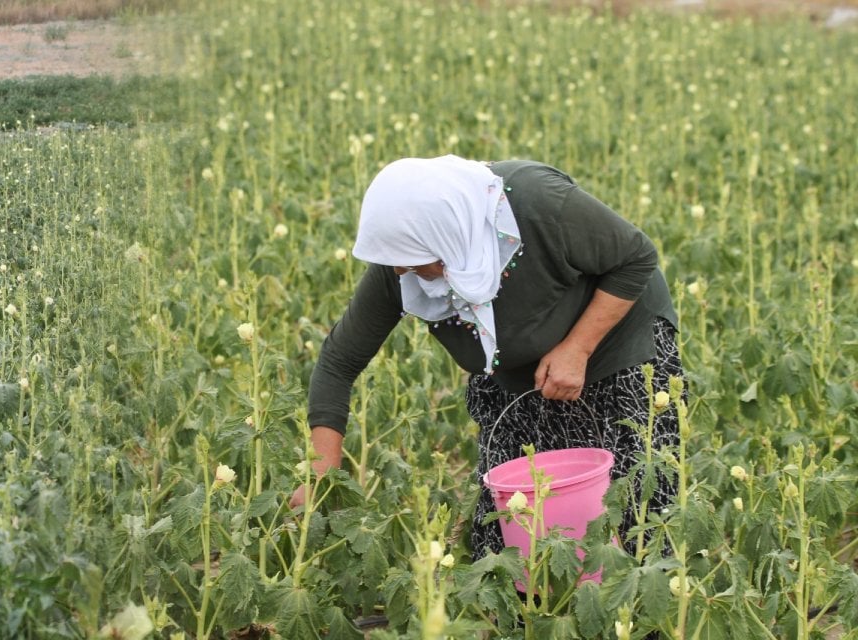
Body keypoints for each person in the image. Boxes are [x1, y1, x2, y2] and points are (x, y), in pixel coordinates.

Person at [291, 154, 683, 559]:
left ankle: (638, 617)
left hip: (618, 344)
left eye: (410, 262)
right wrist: (322, 471)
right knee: (512, 535)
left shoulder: (536, 202)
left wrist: (578, 348)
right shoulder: (404, 262)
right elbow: (339, 361)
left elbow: (635, 257)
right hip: (513, 374)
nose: (399, 273)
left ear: (443, 238)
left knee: (631, 511)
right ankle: (537, 616)